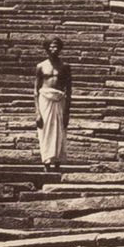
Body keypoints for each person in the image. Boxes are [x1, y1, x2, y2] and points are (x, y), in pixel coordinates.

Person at [34, 36, 72, 169]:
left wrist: (67, 112)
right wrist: (37, 112)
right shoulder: (41, 66)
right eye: (50, 46)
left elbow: (69, 90)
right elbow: (36, 90)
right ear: (46, 48)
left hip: (60, 99)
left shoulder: (65, 67)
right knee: (45, 130)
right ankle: (46, 161)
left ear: (60, 48)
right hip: (44, 99)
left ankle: (57, 162)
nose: (53, 48)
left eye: (56, 45)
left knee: (59, 131)